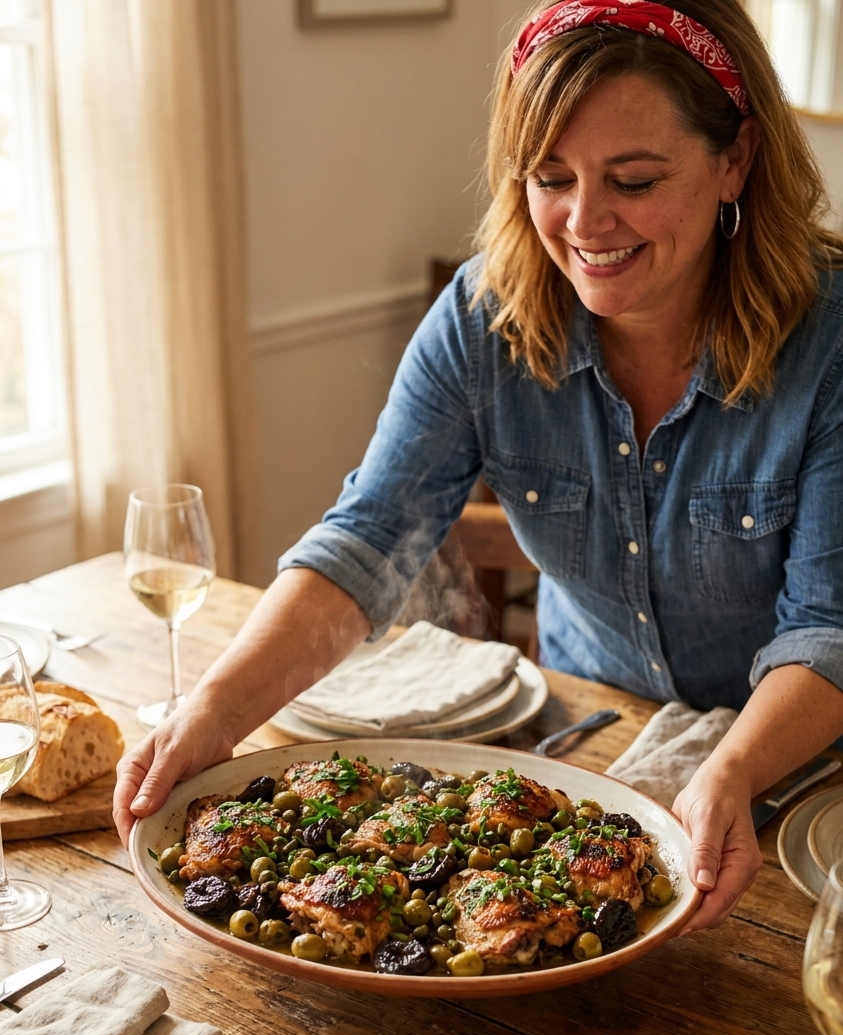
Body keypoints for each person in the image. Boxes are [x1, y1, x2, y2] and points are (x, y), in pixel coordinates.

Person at [114, 0, 843, 933]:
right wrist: (212, 713)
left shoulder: (829, 341)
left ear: (734, 158)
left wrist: (727, 771)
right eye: (550, 176)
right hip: (596, 747)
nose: (584, 221)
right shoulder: (480, 317)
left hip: (802, 780)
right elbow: (368, 540)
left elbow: (827, 630)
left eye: (633, 179)